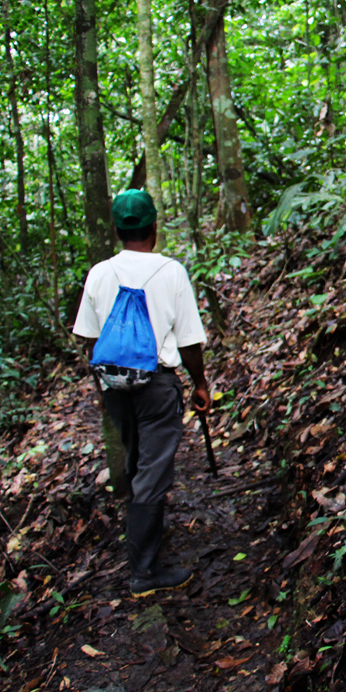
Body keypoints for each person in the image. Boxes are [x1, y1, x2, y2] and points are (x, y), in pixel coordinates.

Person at [72, 189, 211, 595]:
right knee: (153, 470)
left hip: (115, 387)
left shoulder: (99, 272)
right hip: (157, 385)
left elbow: (88, 339)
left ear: (116, 230)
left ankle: (144, 545)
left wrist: (106, 386)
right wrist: (200, 383)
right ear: (154, 226)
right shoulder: (171, 272)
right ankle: (144, 573)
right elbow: (188, 343)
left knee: (137, 461)